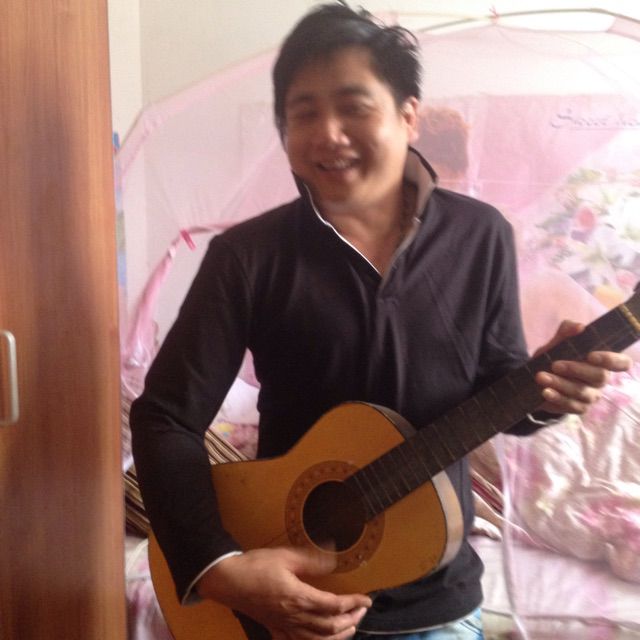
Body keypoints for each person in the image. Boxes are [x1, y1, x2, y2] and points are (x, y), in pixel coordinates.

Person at [130, 4, 632, 640]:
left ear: (408, 115)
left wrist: (549, 395)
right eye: (303, 114)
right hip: (282, 595)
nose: (328, 133)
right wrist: (220, 567)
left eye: (353, 107)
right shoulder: (247, 257)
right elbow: (166, 418)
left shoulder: (481, 237)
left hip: (435, 595)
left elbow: (497, 390)